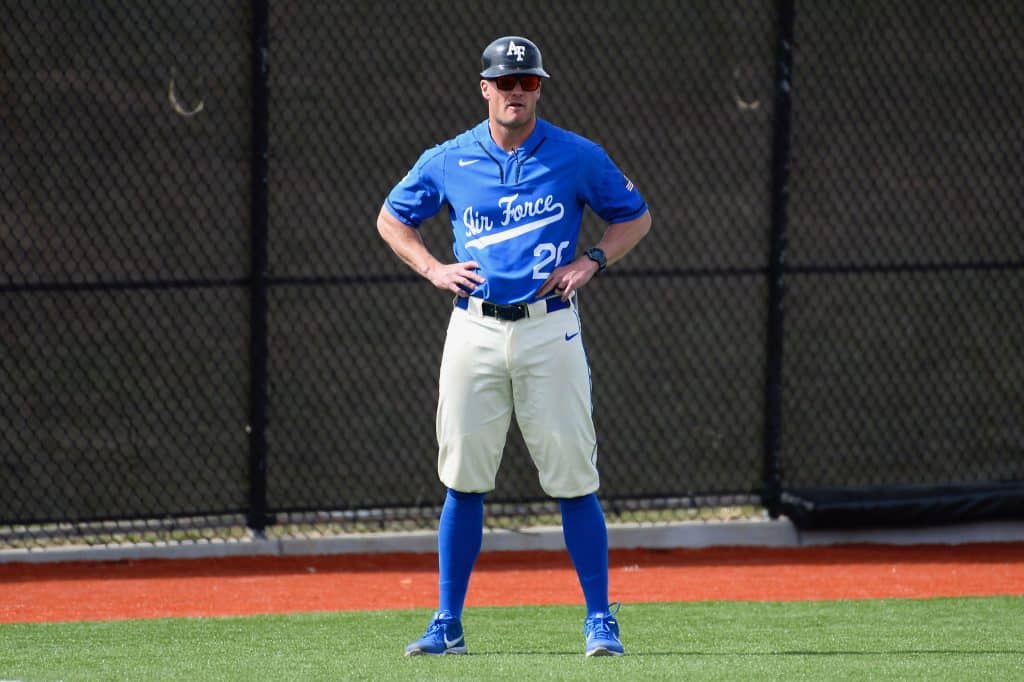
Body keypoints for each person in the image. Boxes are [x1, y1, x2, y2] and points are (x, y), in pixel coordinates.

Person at [376, 35, 652, 658]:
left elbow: (635, 216)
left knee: (575, 478)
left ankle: (600, 619)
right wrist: (431, 269)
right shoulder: (449, 158)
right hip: (473, 326)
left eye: (527, 82)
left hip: (549, 324)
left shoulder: (577, 156)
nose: (516, 92)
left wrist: (594, 259)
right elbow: (392, 217)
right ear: (485, 89)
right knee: (463, 479)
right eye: (505, 82)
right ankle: (448, 622)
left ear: (538, 89)